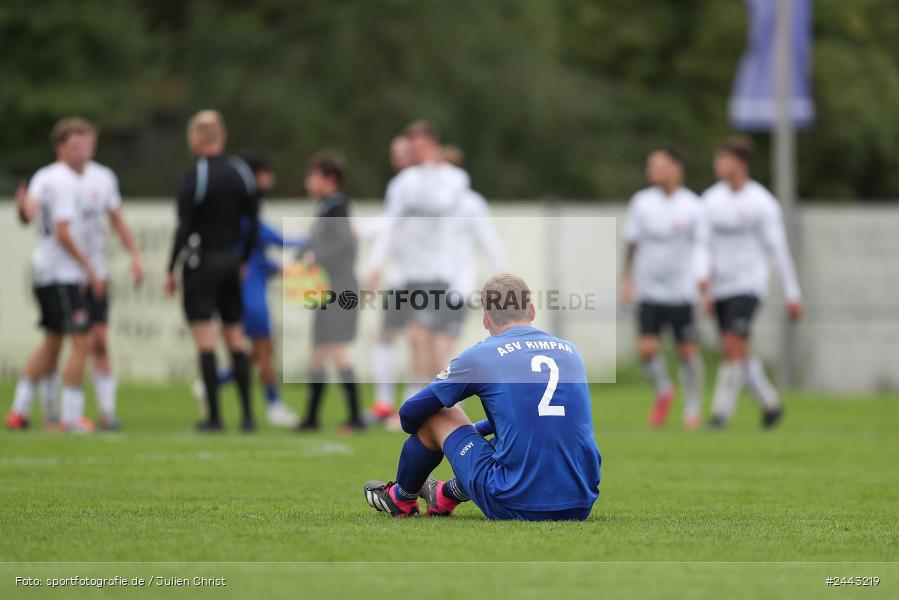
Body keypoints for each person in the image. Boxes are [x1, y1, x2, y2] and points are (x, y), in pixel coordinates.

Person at [364, 273, 601, 520]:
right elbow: (540, 414)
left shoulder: (482, 355)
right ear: (531, 311)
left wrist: (453, 436)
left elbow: (409, 414)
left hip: (517, 502)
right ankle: (444, 495)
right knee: (514, 435)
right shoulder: (570, 351)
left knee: (438, 411)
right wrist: (480, 431)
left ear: (486, 318)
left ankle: (401, 498)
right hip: (581, 501)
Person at [6, 117, 106, 433]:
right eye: (76, 147)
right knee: (83, 341)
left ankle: (18, 411)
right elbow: (62, 232)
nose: (83, 153)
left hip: (43, 270)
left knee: (51, 342)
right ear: (60, 147)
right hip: (60, 272)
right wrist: (90, 271)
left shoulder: (44, 176)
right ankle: (71, 417)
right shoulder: (64, 181)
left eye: (87, 146)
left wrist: (21, 208)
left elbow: (28, 214)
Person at [165, 110, 259, 432]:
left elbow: (185, 226)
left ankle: (215, 418)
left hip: (202, 262)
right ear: (222, 137)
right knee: (235, 338)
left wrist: (170, 267)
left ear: (194, 139)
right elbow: (254, 222)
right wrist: (242, 258)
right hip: (231, 262)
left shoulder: (196, 175)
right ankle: (248, 417)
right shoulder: (240, 172)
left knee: (205, 340)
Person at [365, 121, 470, 407]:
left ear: (434, 146)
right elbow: (390, 225)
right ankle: (418, 403)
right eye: (415, 147)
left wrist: (428, 173)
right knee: (415, 339)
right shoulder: (402, 184)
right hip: (409, 275)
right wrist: (375, 266)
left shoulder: (453, 178)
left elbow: (441, 205)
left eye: (423, 146)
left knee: (427, 340)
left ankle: (431, 403)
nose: (418, 152)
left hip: (439, 273)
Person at [701, 137, 803, 429]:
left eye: (724, 160)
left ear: (741, 164)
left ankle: (720, 414)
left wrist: (792, 294)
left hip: (749, 285)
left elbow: (778, 250)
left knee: (732, 346)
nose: (717, 165)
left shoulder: (762, 203)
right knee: (738, 350)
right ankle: (771, 405)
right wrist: (705, 287)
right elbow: (704, 248)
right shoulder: (710, 200)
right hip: (720, 287)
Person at [200, 154, 306, 427]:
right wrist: (311, 240)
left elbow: (259, 253)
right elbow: (274, 240)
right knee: (263, 347)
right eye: (268, 174)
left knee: (259, 349)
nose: (272, 180)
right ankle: (273, 405)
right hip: (249, 291)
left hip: (251, 286)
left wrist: (277, 267)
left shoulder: (244, 211)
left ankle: (217, 380)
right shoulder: (246, 213)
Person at [620, 146, 708, 430]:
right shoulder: (641, 202)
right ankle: (664, 391)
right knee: (646, 349)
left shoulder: (693, 205)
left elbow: (704, 247)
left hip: (682, 291)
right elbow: (631, 245)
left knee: (687, 351)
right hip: (649, 290)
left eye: (657, 165)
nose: (651, 171)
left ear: (675, 168)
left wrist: (704, 280)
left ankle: (693, 407)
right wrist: (626, 278)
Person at [297, 151, 364, 433]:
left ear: (330, 179)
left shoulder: (338, 207)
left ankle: (356, 417)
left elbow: (345, 245)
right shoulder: (325, 207)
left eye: (313, 176)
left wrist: (315, 256)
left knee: (337, 349)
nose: (308, 182)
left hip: (340, 288)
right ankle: (311, 417)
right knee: (317, 352)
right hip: (324, 289)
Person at [434, 145, 506, 372]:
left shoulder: (471, 203)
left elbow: (490, 243)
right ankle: (434, 400)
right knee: (428, 343)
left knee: (441, 343)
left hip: (457, 287)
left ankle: (449, 400)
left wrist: (503, 281)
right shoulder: (429, 204)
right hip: (429, 284)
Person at [367, 135, 417, 425]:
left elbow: (389, 226)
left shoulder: (410, 186)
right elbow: (390, 225)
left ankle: (404, 408)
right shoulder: (399, 185)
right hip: (401, 278)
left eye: (403, 151)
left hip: (419, 279)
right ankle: (386, 405)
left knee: (416, 340)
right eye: (394, 151)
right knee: (390, 337)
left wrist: (374, 265)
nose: (397, 156)